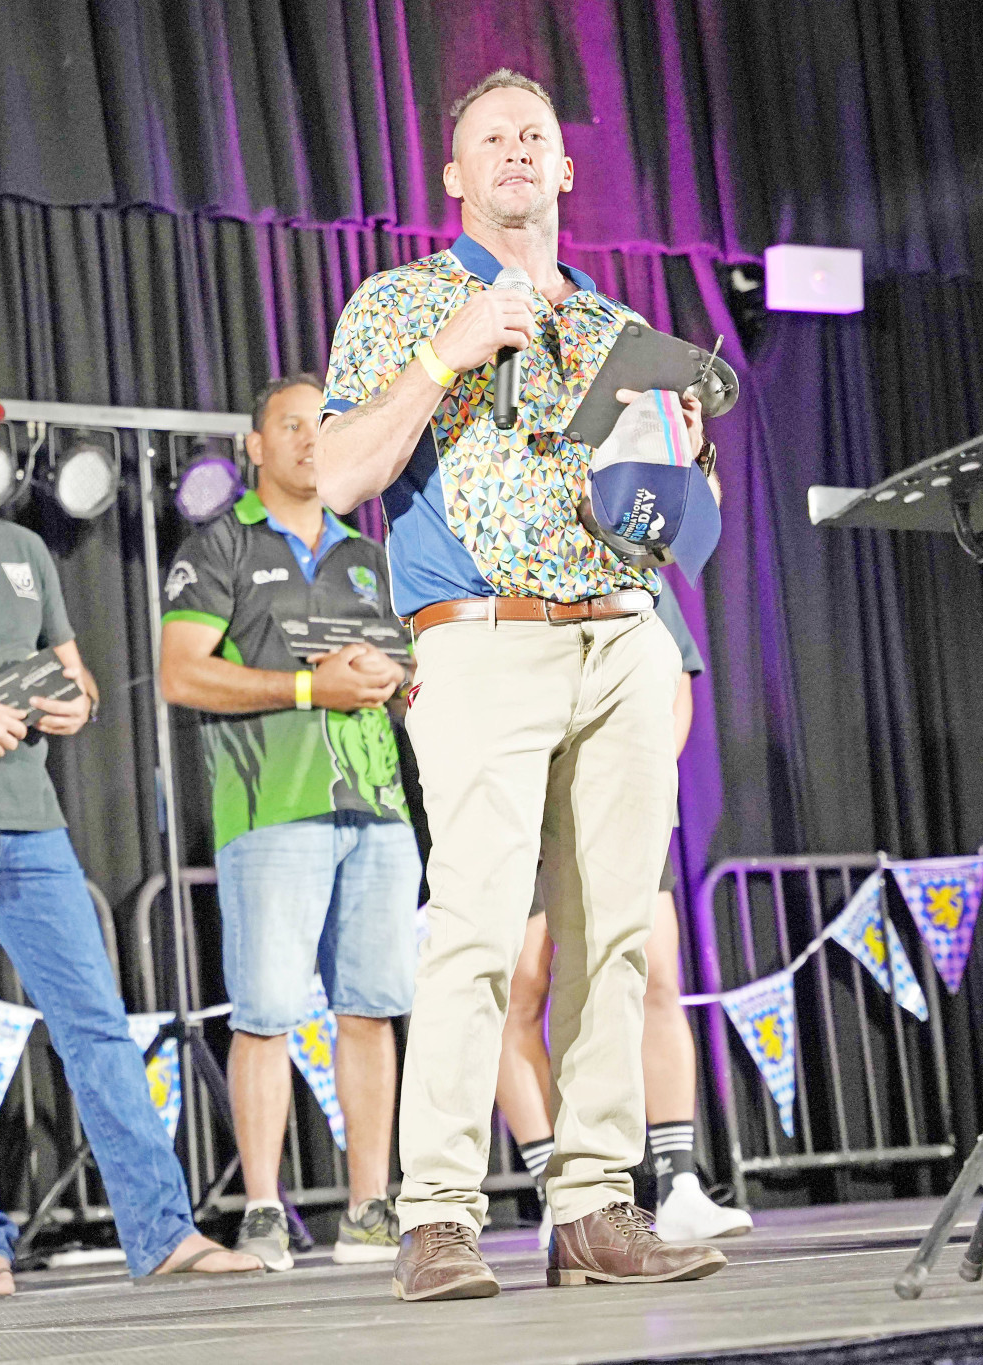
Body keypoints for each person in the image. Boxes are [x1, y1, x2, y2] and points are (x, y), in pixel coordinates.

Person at [313, 69, 731, 1300]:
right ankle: (436, 1213)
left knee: (613, 933)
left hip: (620, 633)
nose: (512, 149)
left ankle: (593, 1206)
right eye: (486, 137)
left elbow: (662, 521)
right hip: (479, 638)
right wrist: (441, 360)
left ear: (560, 170)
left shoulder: (616, 325)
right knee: (477, 930)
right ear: (452, 177)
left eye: (532, 136)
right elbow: (339, 475)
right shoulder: (396, 302)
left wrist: (676, 458)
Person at [0, 363, 262, 1295]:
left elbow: (77, 676)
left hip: (34, 828)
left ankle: (165, 1232)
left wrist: (75, 703)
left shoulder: (25, 548)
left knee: (98, 1028)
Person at [159, 374, 418, 1271]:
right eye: (293, 426)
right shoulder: (218, 546)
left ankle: (371, 1205)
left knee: (372, 1009)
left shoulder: (370, 555)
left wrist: (403, 681)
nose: (313, 440)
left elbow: (413, 675)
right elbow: (181, 673)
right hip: (270, 811)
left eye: (327, 425)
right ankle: (263, 1208)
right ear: (255, 447)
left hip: (379, 810)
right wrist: (313, 685)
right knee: (266, 1014)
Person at [497, 578, 753, 1247]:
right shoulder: (495, 550)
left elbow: (676, 689)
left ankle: (677, 1185)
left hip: (623, 803)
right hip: (524, 804)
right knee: (520, 993)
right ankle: (560, 1190)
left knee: (656, 979)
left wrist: (635, 774)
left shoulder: (631, 565)